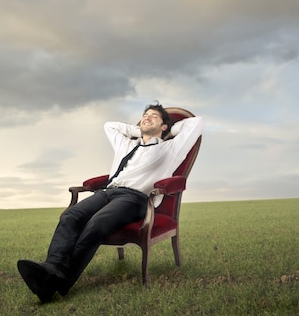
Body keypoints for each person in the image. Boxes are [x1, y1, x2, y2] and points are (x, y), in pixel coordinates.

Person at [17, 103, 204, 303]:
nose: (147, 117)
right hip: (108, 191)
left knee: (96, 224)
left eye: (154, 117)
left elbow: (197, 123)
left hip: (135, 197)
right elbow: (109, 126)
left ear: (164, 126)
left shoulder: (170, 149)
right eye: (145, 115)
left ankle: (59, 282)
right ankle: (51, 269)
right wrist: (139, 129)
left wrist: (167, 132)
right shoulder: (125, 144)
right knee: (69, 216)